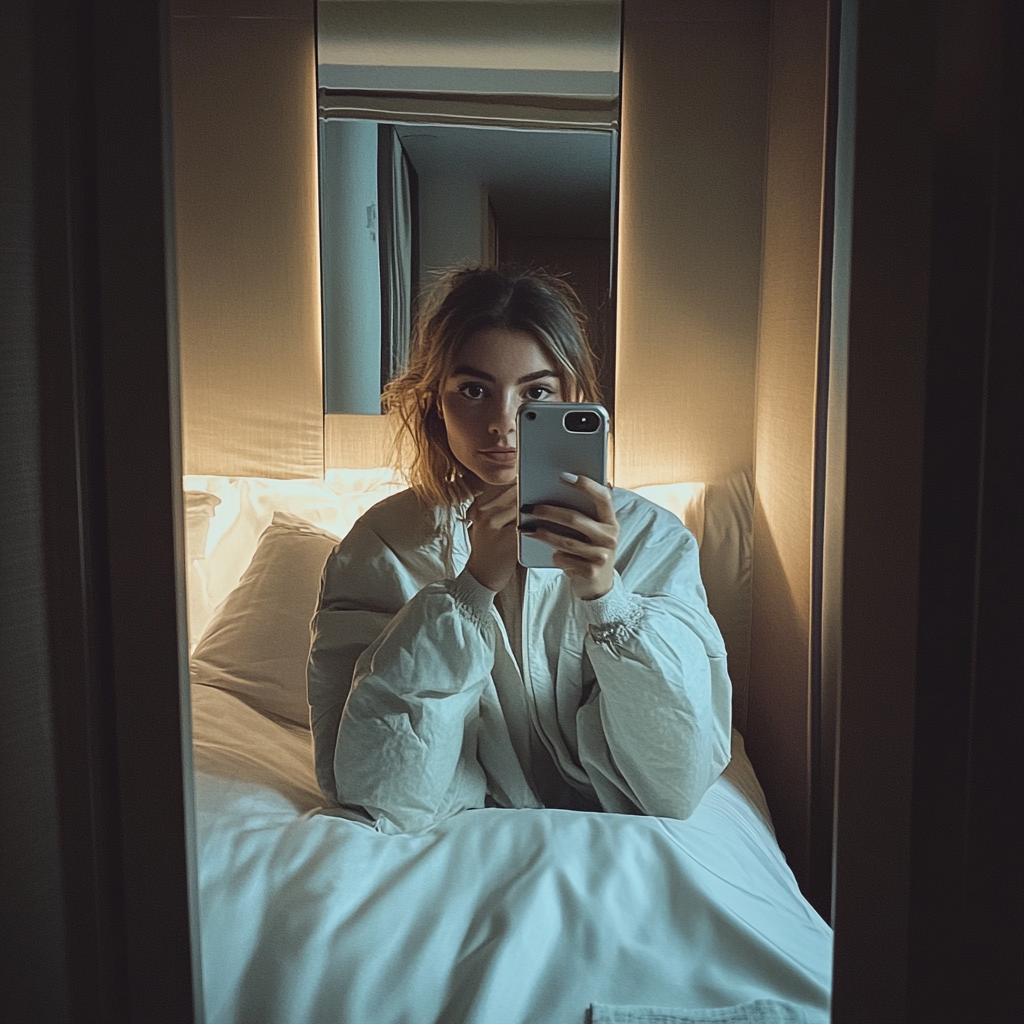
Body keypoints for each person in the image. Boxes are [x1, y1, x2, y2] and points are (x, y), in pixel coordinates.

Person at [306, 267, 732, 834]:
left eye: (535, 394)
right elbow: (375, 790)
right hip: (451, 840)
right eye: (474, 391)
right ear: (436, 402)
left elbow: (674, 783)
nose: (502, 425)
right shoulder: (381, 544)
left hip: (613, 839)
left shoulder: (653, 539)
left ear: (574, 397)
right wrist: (472, 587)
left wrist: (607, 600)